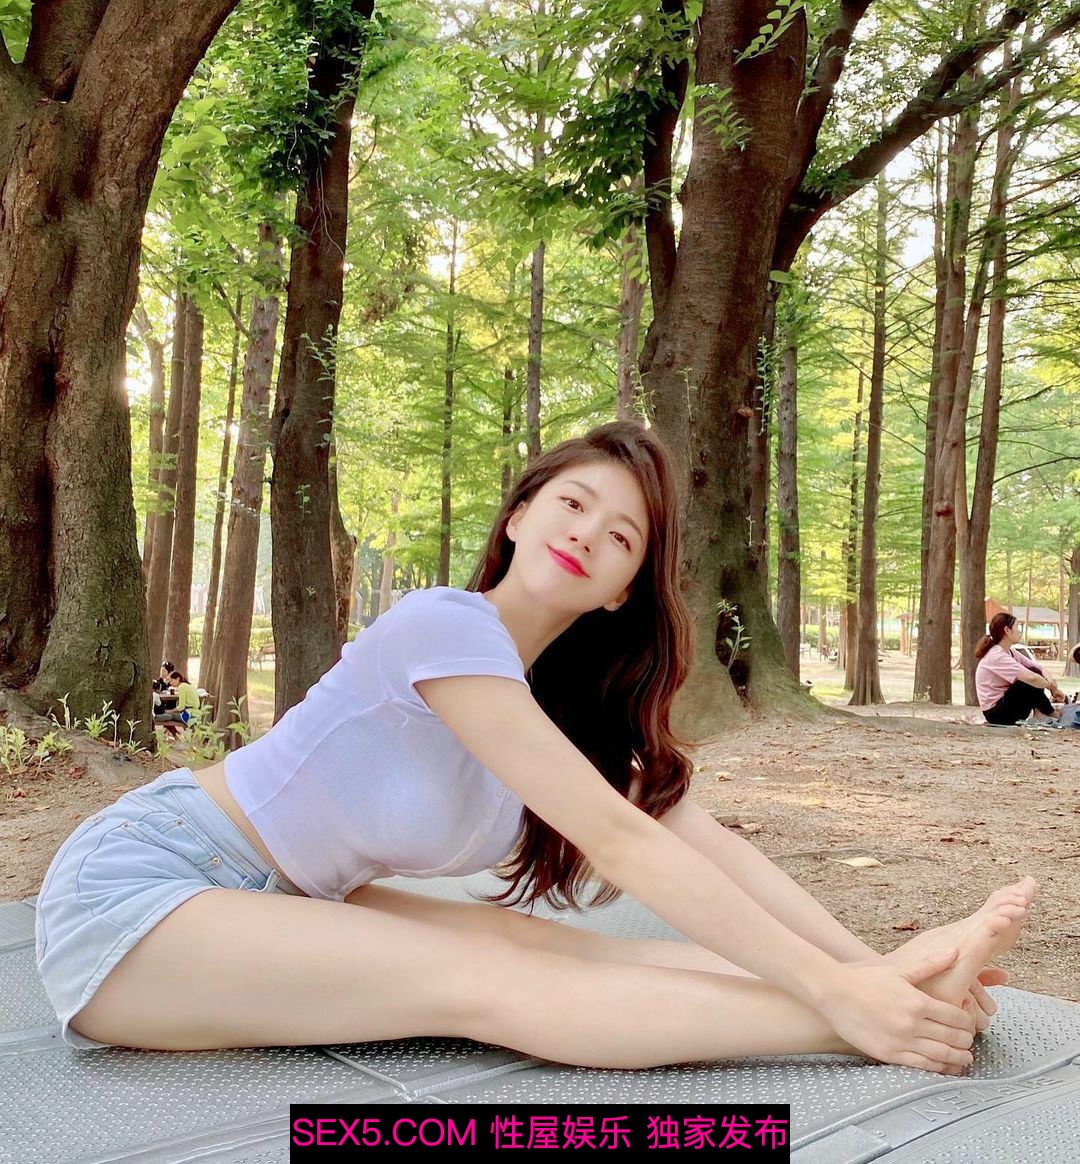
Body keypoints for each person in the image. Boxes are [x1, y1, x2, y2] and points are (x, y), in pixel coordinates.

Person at [36, 420, 1032, 1075]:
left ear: (621, 592)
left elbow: (709, 847)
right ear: (519, 516)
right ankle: (861, 1026)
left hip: (287, 900)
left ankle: (894, 997)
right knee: (484, 984)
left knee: (543, 944)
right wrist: (845, 998)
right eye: (573, 503)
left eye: (622, 536)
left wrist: (873, 961)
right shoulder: (443, 625)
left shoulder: (554, 713)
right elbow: (626, 846)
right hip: (146, 886)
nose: (589, 533)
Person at [974, 613, 1065, 725]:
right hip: (996, 714)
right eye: (1017, 626)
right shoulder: (996, 655)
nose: (1019, 631)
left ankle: (1041, 711)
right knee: (1028, 680)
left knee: (1034, 671)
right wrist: (1050, 686)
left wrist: (1053, 687)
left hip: (1006, 706)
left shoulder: (1010, 652)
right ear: (1007, 630)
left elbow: (1040, 668)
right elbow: (1031, 678)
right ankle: (1051, 713)